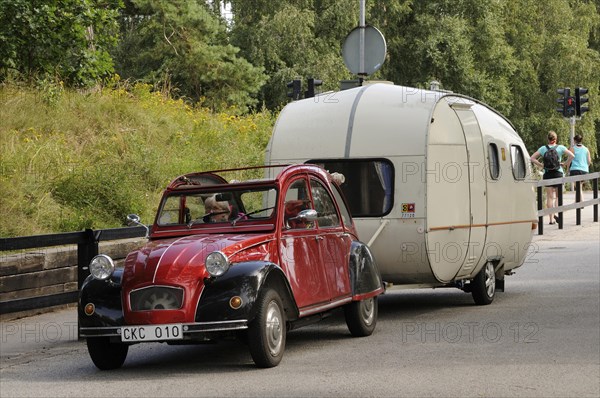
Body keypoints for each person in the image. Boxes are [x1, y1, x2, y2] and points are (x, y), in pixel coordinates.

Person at [529, 131, 574, 225]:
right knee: (558, 197)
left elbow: (532, 158)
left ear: (548, 139)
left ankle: (551, 219)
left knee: (550, 197)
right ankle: (558, 215)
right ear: (555, 139)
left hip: (547, 174)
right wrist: (565, 164)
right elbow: (572, 156)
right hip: (558, 173)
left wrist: (541, 165)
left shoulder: (543, 148)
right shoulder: (560, 147)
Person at [566, 134, 592, 200]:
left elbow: (569, 160)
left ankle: (581, 202)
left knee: (578, 187)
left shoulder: (572, 149)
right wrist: (585, 167)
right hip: (584, 170)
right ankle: (577, 201)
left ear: (574, 140)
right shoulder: (586, 149)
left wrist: (567, 170)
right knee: (579, 186)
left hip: (575, 170)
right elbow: (589, 161)